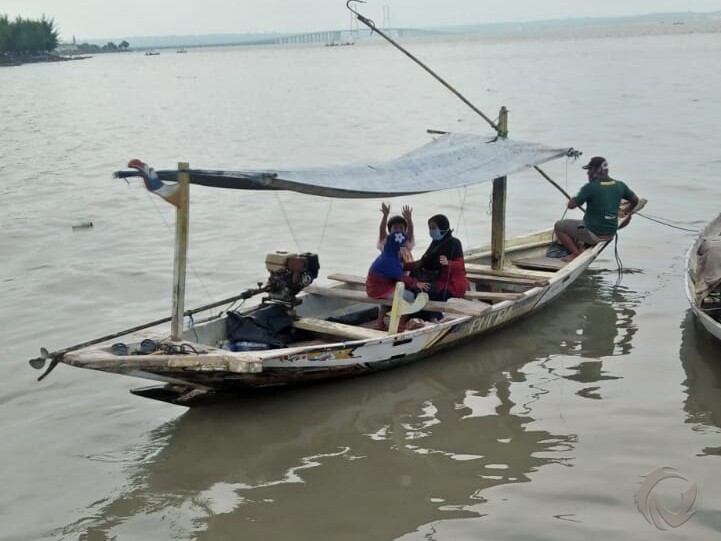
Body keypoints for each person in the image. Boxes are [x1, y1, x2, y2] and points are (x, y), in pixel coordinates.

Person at [554, 156, 639, 262]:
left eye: (590, 169)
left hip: (594, 234)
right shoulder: (620, 185)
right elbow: (635, 200)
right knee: (585, 222)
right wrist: (628, 210)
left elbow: (571, 206)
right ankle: (583, 244)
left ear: (597, 170)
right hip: (610, 233)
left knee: (559, 226)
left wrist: (575, 197)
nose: (588, 173)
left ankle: (575, 254)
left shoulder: (590, 187)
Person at [405, 214, 469, 320]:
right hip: (435, 279)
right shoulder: (435, 243)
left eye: (434, 228)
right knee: (414, 287)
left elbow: (460, 266)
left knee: (423, 291)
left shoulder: (454, 243)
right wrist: (404, 266)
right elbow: (423, 262)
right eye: (430, 228)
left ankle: (431, 317)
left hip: (451, 284)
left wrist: (448, 263)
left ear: (443, 227)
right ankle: (412, 317)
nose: (431, 231)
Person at [366, 231, 428, 329]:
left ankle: (380, 323)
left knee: (389, 299)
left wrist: (417, 263)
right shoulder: (390, 260)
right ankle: (400, 324)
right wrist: (416, 284)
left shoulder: (389, 254)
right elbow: (402, 277)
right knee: (410, 296)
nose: (404, 247)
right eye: (402, 245)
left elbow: (401, 267)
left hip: (374, 288)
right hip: (380, 290)